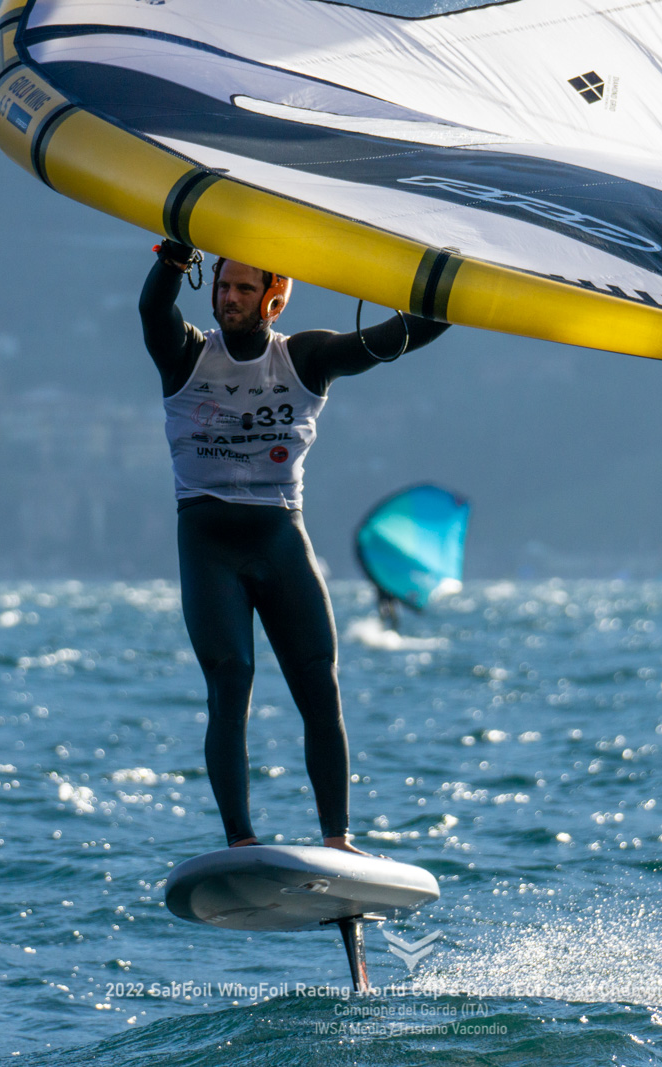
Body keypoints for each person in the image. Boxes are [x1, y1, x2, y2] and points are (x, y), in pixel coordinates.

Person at [140, 240, 448, 852]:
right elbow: (153, 309)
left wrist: (449, 295)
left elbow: (391, 340)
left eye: (245, 289)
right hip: (208, 541)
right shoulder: (186, 355)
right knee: (231, 680)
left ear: (273, 299)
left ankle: (337, 839)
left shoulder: (305, 358)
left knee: (318, 684)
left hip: (280, 533)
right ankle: (241, 841)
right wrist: (173, 261)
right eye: (224, 287)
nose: (229, 298)